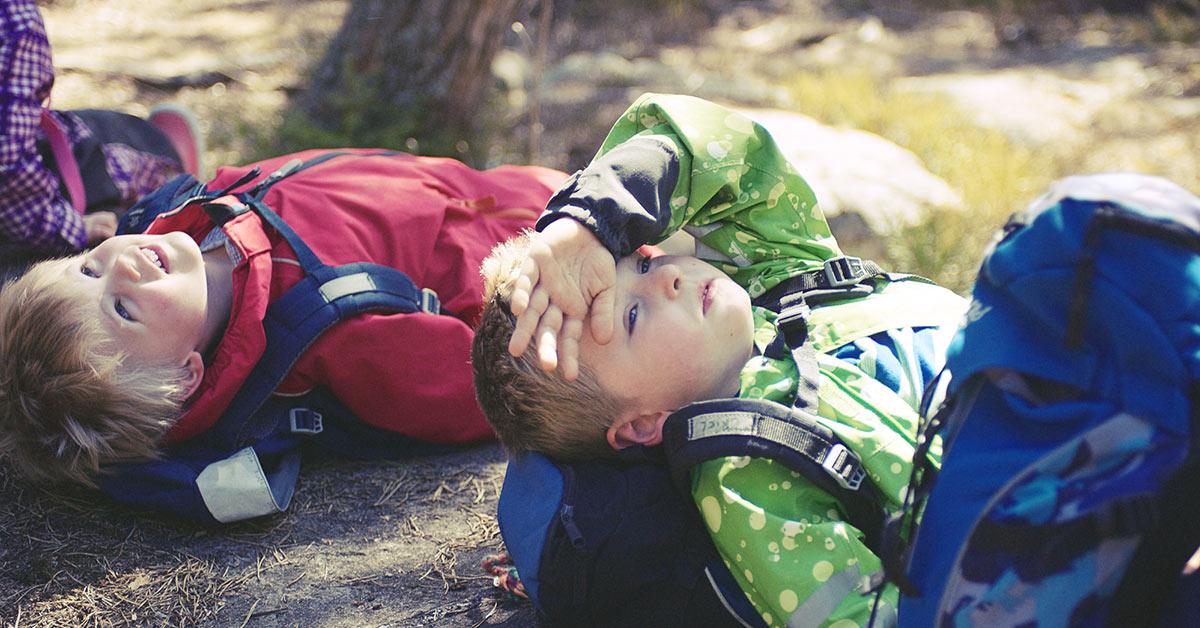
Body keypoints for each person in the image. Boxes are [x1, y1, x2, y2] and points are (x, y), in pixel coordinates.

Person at [472, 93, 967, 627]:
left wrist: (591, 220)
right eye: (633, 316)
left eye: (639, 262)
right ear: (643, 425)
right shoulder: (748, 472)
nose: (670, 276)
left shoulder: (780, 271)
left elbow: (719, 148)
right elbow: (854, 615)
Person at [0, 148, 567, 523]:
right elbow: (497, 387)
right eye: (123, 309)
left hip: (494, 183)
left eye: (88, 271)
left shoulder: (197, 210)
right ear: (183, 374)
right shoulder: (329, 333)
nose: (122, 268)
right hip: (540, 243)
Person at [0, 0, 202, 276]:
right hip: (25, 212)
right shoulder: (13, 19)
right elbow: (8, 168)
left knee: (95, 124)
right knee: (111, 189)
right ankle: (173, 200)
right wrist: (70, 227)